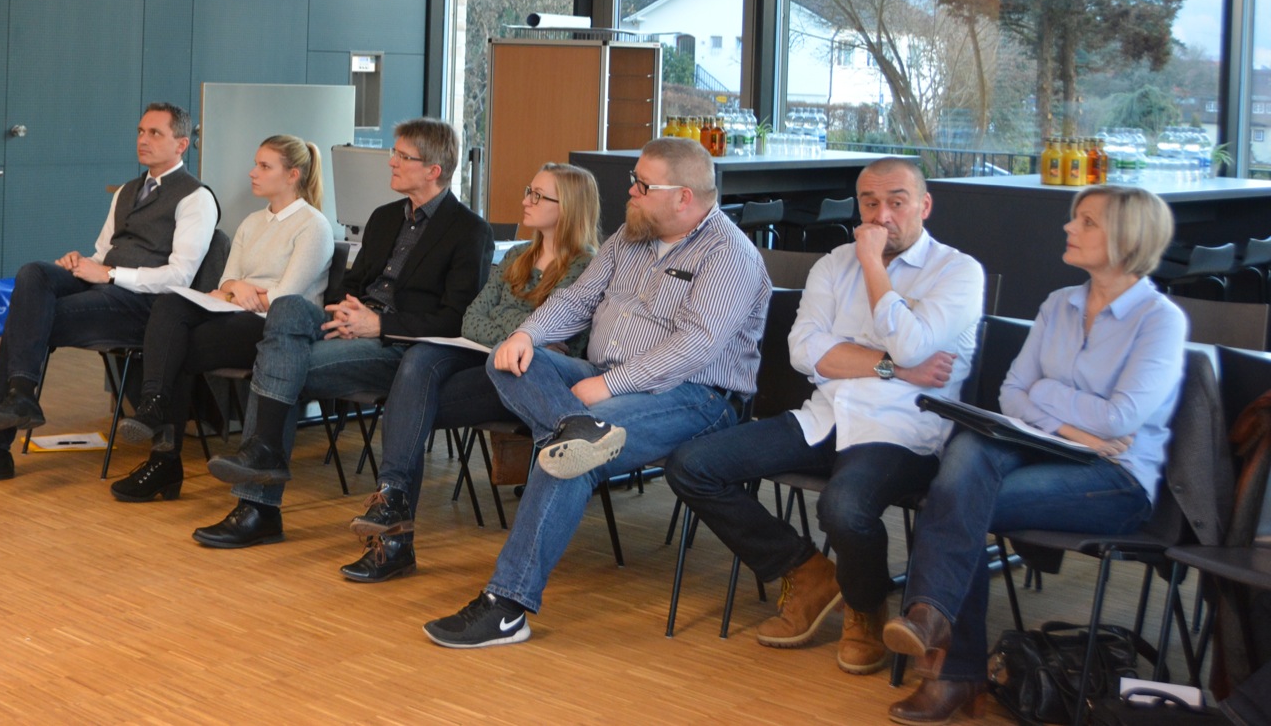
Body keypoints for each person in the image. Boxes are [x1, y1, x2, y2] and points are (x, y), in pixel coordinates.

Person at [421, 136, 770, 648]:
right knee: (509, 362)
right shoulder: (631, 236)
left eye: (643, 185)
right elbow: (577, 299)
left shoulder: (730, 254)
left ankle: (507, 607)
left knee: (570, 459)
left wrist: (607, 385)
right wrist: (526, 335)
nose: (630, 191)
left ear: (684, 198)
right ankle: (576, 426)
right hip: (602, 375)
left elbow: (693, 348)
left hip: (697, 396)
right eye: (634, 180)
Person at [881, 185, 1188, 725]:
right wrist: (1074, 427)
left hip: (1116, 478)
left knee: (954, 503)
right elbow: (1011, 395)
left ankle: (945, 652)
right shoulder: (1058, 304)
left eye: (1086, 221)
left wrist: (1049, 398)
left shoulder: (1160, 319)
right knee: (972, 444)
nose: (1068, 228)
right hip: (1048, 451)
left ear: (1128, 237)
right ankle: (938, 634)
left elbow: (1120, 419)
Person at [664, 157, 984, 675]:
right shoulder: (834, 264)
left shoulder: (958, 271)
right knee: (692, 465)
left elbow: (912, 342)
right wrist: (894, 367)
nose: (881, 216)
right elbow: (805, 351)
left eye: (897, 202)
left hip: (902, 430)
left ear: (924, 205)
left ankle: (865, 607)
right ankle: (808, 572)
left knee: (844, 507)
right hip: (825, 415)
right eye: (870, 203)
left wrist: (873, 264)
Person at [192, 117, 493, 549]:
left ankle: (258, 505)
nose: (391, 162)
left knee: (277, 364)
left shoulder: (469, 231)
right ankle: (263, 467)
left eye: (402, 156)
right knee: (289, 308)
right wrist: (347, 310)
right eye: (393, 153)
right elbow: (351, 285)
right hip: (350, 325)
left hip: (398, 346)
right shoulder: (384, 217)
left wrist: (378, 324)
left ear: (433, 170)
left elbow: (456, 319)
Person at [0, 102, 217, 485]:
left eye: (155, 133)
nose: (143, 140)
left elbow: (180, 277)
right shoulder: (127, 191)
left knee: (26, 319)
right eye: (140, 131)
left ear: (181, 144)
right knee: (34, 274)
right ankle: (20, 394)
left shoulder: (196, 198)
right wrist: (81, 262)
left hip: (144, 306)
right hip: (106, 287)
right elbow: (103, 252)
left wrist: (110, 274)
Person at [340, 161, 601, 583]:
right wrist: (518, 333)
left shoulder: (586, 268)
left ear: (568, 207)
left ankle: (392, 540)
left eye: (538, 195)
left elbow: (556, 337)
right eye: (528, 190)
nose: (525, 200)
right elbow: (470, 321)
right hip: (479, 358)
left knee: (410, 406)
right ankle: (392, 499)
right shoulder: (517, 255)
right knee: (420, 358)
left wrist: (516, 335)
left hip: (526, 378)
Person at [110, 134, 334, 502]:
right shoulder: (252, 222)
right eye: (256, 164)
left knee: (175, 348)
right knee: (170, 305)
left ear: (292, 175)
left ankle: (164, 460)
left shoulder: (313, 226)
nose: (252, 172)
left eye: (264, 166)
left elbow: (284, 298)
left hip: (279, 330)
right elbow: (225, 282)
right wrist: (236, 289)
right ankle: (154, 404)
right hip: (237, 314)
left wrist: (238, 291)